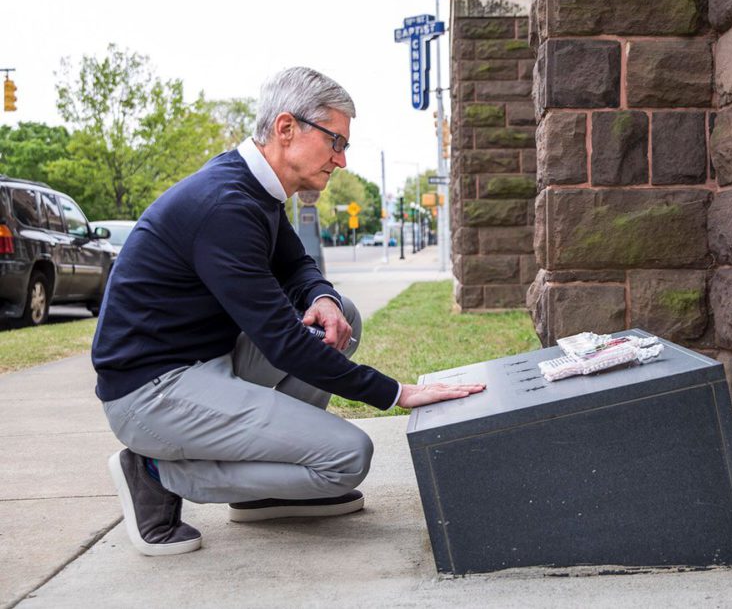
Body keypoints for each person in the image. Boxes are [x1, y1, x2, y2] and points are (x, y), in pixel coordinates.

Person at [92, 67, 484, 557]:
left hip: (205, 362)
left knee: (343, 314)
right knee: (347, 457)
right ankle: (155, 473)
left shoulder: (257, 191)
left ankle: (270, 490)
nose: (341, 160)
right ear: (286, 129)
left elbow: (297, 265)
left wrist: (322, 298)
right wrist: (397, 393)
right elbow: (282, 342)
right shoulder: (225, 206)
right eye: (335, 142)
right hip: (152, 392)